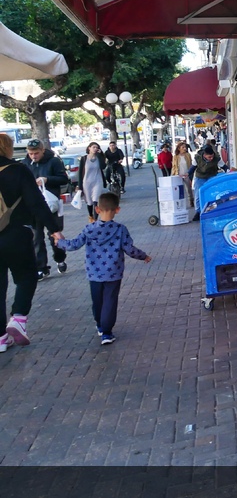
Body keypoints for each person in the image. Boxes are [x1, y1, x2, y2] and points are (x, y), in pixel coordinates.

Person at [54, 192, 150, 345]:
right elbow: (129, 248)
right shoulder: (120, 229)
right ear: (117, 209)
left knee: (97, 301)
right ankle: (107, 332)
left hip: (94, 273)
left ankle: (100, 325)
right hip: (114, 273)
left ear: (97, 209)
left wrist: (59, 242)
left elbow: (73, 245)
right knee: (110, 302)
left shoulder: (89, 229)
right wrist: (143, 256)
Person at [0, 134, 65, 353]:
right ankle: (18, 318)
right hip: (17, 233)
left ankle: (1, 338)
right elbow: (36, 203)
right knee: (27, 275)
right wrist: (54, 229)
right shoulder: (18, 170)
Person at [22, 138, 69, 278]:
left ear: (42, 150)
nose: (33, 156)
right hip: (34, 206)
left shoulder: (53, 161)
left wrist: (47, 180)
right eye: (31, 153)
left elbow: (63, 179)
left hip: (51, 205)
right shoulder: (25, 164)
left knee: (54, 234)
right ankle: (42, 267)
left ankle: (60, 258)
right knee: (36, 238)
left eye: (36, 153)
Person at [78, 142, 107, 221]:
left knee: (95, 200)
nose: (95, 149)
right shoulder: (84, 159)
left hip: (97, 181)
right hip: (87, 182)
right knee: (89, 202)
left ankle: (95, 219)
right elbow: (80, 172)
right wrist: (79, 185)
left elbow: (103, 167)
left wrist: (100, 156)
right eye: (93, 147)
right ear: (89, 148)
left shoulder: (99, 158)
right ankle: (90, 215)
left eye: (97, 147)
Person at [191, 145, 221, 221]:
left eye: (212, 157)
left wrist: (229, 171)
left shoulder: (216, 158)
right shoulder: (197, 158)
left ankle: (212, 209)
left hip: (211, 175)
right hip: (200, 177)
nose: (211, 159)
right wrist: (188, 174)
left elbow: (223, 166)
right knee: (198, 194)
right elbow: (193, 168)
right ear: (204, 155)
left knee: (212, 193)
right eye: (209, 157)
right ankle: (198, 212)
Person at [170, 141, 194, 206]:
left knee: (188, 189)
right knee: (178, 189)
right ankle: (179, 203)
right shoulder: (176, 156)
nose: (184, 148)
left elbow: (191, 164)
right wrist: (173, 174)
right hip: (178, 174)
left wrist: (190, 173)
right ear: (179, 148)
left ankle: (191, 200)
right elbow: (174, 166)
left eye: (185, 147)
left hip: (186, 174)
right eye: (183, 147)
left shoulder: (188, 155)